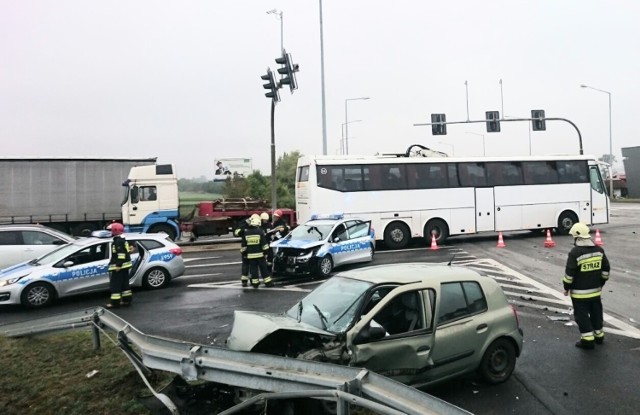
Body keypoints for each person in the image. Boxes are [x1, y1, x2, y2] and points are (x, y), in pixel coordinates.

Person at [563, 223, 610, 349]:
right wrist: (601, 282)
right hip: (596, 292)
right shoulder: (599, 250)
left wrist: (566, 287)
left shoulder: (575, 253)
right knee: (596, 313)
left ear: (577, 238)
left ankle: (588, 340)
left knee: (582, 316)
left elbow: (569, 274)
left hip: (579, 294)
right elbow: (606, 269)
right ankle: (599, 336)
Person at [241, 214, 273, 288]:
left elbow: (244, 246)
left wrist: (244, 253)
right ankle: (268, 282)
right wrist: (266, 253)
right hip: (260, 255)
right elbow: (264, 245)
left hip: (251, 256)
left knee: (253, 270)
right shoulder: (260, 231)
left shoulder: (246, 232)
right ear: (258, 223)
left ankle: (255, 283)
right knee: (263, 269)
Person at [106, 223, 133, 308]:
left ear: (115, 230)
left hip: (120, 267)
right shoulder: (122, 239)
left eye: (111, 230)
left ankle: (115, 303)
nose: (110, 232)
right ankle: (126, 301)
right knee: (125, 285)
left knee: (115, 285)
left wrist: (118, 265)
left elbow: (121, 255)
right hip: (126, 266)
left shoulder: (117, 241)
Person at [234, 217, 251, 287]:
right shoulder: (257, 230)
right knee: (253, 266)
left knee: (245, 265)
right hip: (253, 251)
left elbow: (236, 233)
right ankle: (254, 280)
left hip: (245, 250)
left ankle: (244, 280)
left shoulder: (244, 229)